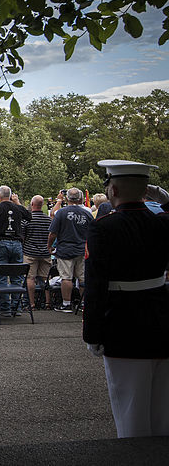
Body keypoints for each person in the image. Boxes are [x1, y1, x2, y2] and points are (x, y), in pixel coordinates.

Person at [83, 159, 169, 438]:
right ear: (147, 192)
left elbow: (96, 285)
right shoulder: (162, 222)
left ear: (114, 190)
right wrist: (164, 198)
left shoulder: (104, 227)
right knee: (162, 416)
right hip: (162, 319)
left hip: (123, 326)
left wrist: (92, 333)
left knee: (131, 415)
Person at [0, 186, 31, 315]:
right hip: (16, 243)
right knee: (17, 276)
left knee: (0, 276)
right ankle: (16, 307)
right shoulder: (18, 208)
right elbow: (29, 216)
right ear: (10, 196)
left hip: (0, 242)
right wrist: (17, 203)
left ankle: (5, 308)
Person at [48, 187, 93, 312]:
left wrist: (49, 246)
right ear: (80, 198)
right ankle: (84, 303)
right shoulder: (87, 212)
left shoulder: (61, 213)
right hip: (83, 249)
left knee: (66, 277)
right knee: (83, 277)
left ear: (67, 198)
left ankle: (66, 303)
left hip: (65, 249)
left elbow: (53, 233)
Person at [21, 195, 52, 309]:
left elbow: (22, 236)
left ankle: (31, 303)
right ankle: (48, 303)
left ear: (32, 205)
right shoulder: (48, 220)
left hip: (30, 252)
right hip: (45, 252)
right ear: (42, 205)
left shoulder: (27, 219)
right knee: (46, 278)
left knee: (30, 278)